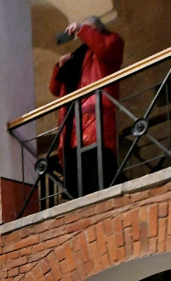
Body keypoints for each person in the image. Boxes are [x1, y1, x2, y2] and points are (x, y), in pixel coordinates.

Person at [49, 16, 124, 198]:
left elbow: (105, 48)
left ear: (98, 29)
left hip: (94, 121)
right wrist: (60, 67)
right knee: (76, 183)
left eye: (86, 29)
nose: (81, 33)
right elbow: (55, 89)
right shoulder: (77, 57)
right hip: (72, 128)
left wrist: (81, 29)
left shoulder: (112, 41)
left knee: (99, 174)